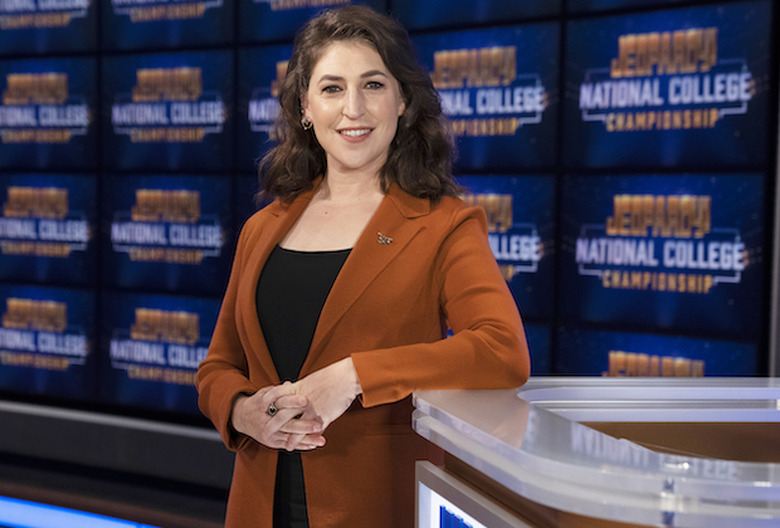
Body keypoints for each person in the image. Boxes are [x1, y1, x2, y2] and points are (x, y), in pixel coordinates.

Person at [196, 5, 530, 528]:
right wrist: (241, 411)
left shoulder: (445, 224)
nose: (353, 108)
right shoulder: (262, 228)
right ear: (305, 106)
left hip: (376, 506)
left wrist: (355, 376)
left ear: (402, 101)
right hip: (258, 507)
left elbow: (501, 351)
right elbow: (218, 367)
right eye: (332, 88)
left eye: (373, 85)